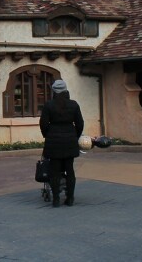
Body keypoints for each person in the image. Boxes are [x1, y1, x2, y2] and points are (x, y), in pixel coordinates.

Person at [40, 79, 84, 207]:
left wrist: (47, 134)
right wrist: (75, 135)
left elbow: (43, 124)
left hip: (53, 140)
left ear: (53, 91)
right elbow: (80, 123)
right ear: (65, 90)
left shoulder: (49, 105)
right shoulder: (74, 104)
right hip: (69, 139)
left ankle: (56, 199)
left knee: (54, 171)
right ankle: (70, 198)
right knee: (70, 170)